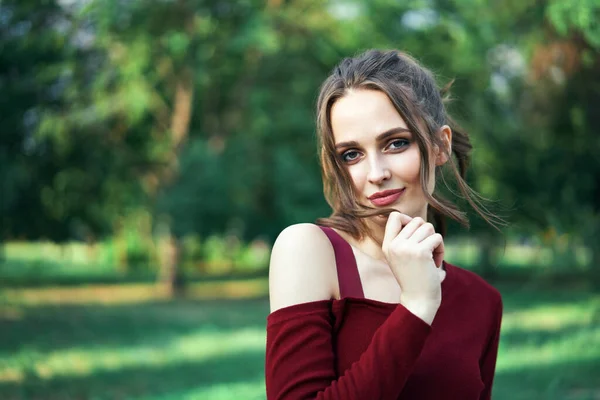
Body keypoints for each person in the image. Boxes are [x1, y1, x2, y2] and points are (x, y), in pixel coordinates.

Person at [265, 49, 503, 400]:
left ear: (440, 146)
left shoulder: (482, 301)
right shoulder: (309, 251)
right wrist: (416, 306)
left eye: (396, 143)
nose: (376, 174)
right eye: (352, 154)